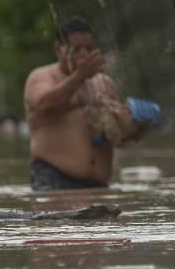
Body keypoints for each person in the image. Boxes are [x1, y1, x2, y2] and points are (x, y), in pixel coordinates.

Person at [23, 17, 158, 191]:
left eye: (89, 48)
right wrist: (79, 77)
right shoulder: (42, 77)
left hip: (98, 185)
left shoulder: (104, 82)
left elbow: (117, 138)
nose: (84, 55)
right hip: (54, 181)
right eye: (77, 49)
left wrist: (136, 126)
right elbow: (43, 103)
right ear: (59, 49)